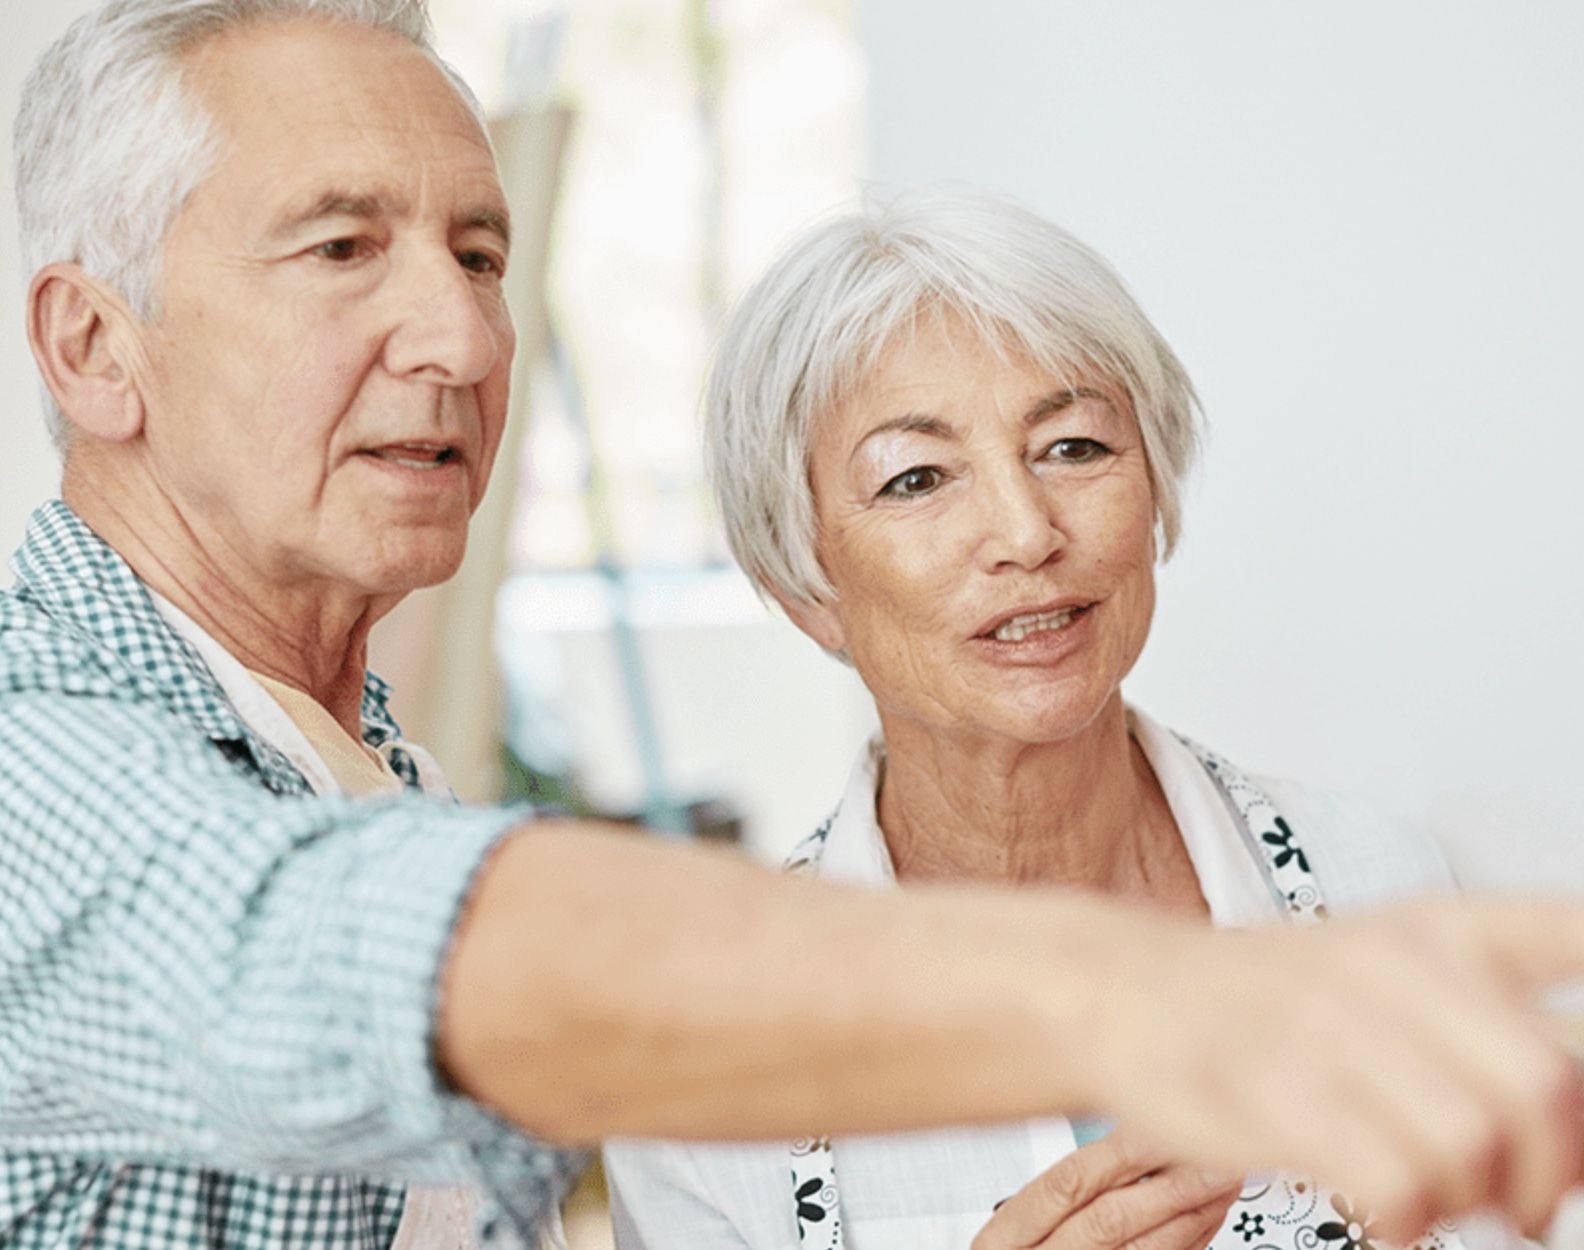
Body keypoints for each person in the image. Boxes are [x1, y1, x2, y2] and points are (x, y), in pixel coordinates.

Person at [5, 3, 1584, 1248]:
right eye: (342, 246)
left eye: (480, 253)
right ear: (93, 344)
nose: (467, 329)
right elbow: (390, 945)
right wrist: (1163, 995)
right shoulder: (39, 767)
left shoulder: (362, 763)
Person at [602, 188, 1576, 1250]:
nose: (1025, 531)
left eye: (1072, 446)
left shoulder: (1375, 882)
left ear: (1154, 488)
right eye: (917, 477)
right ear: (804, 587)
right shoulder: (701, 1061)